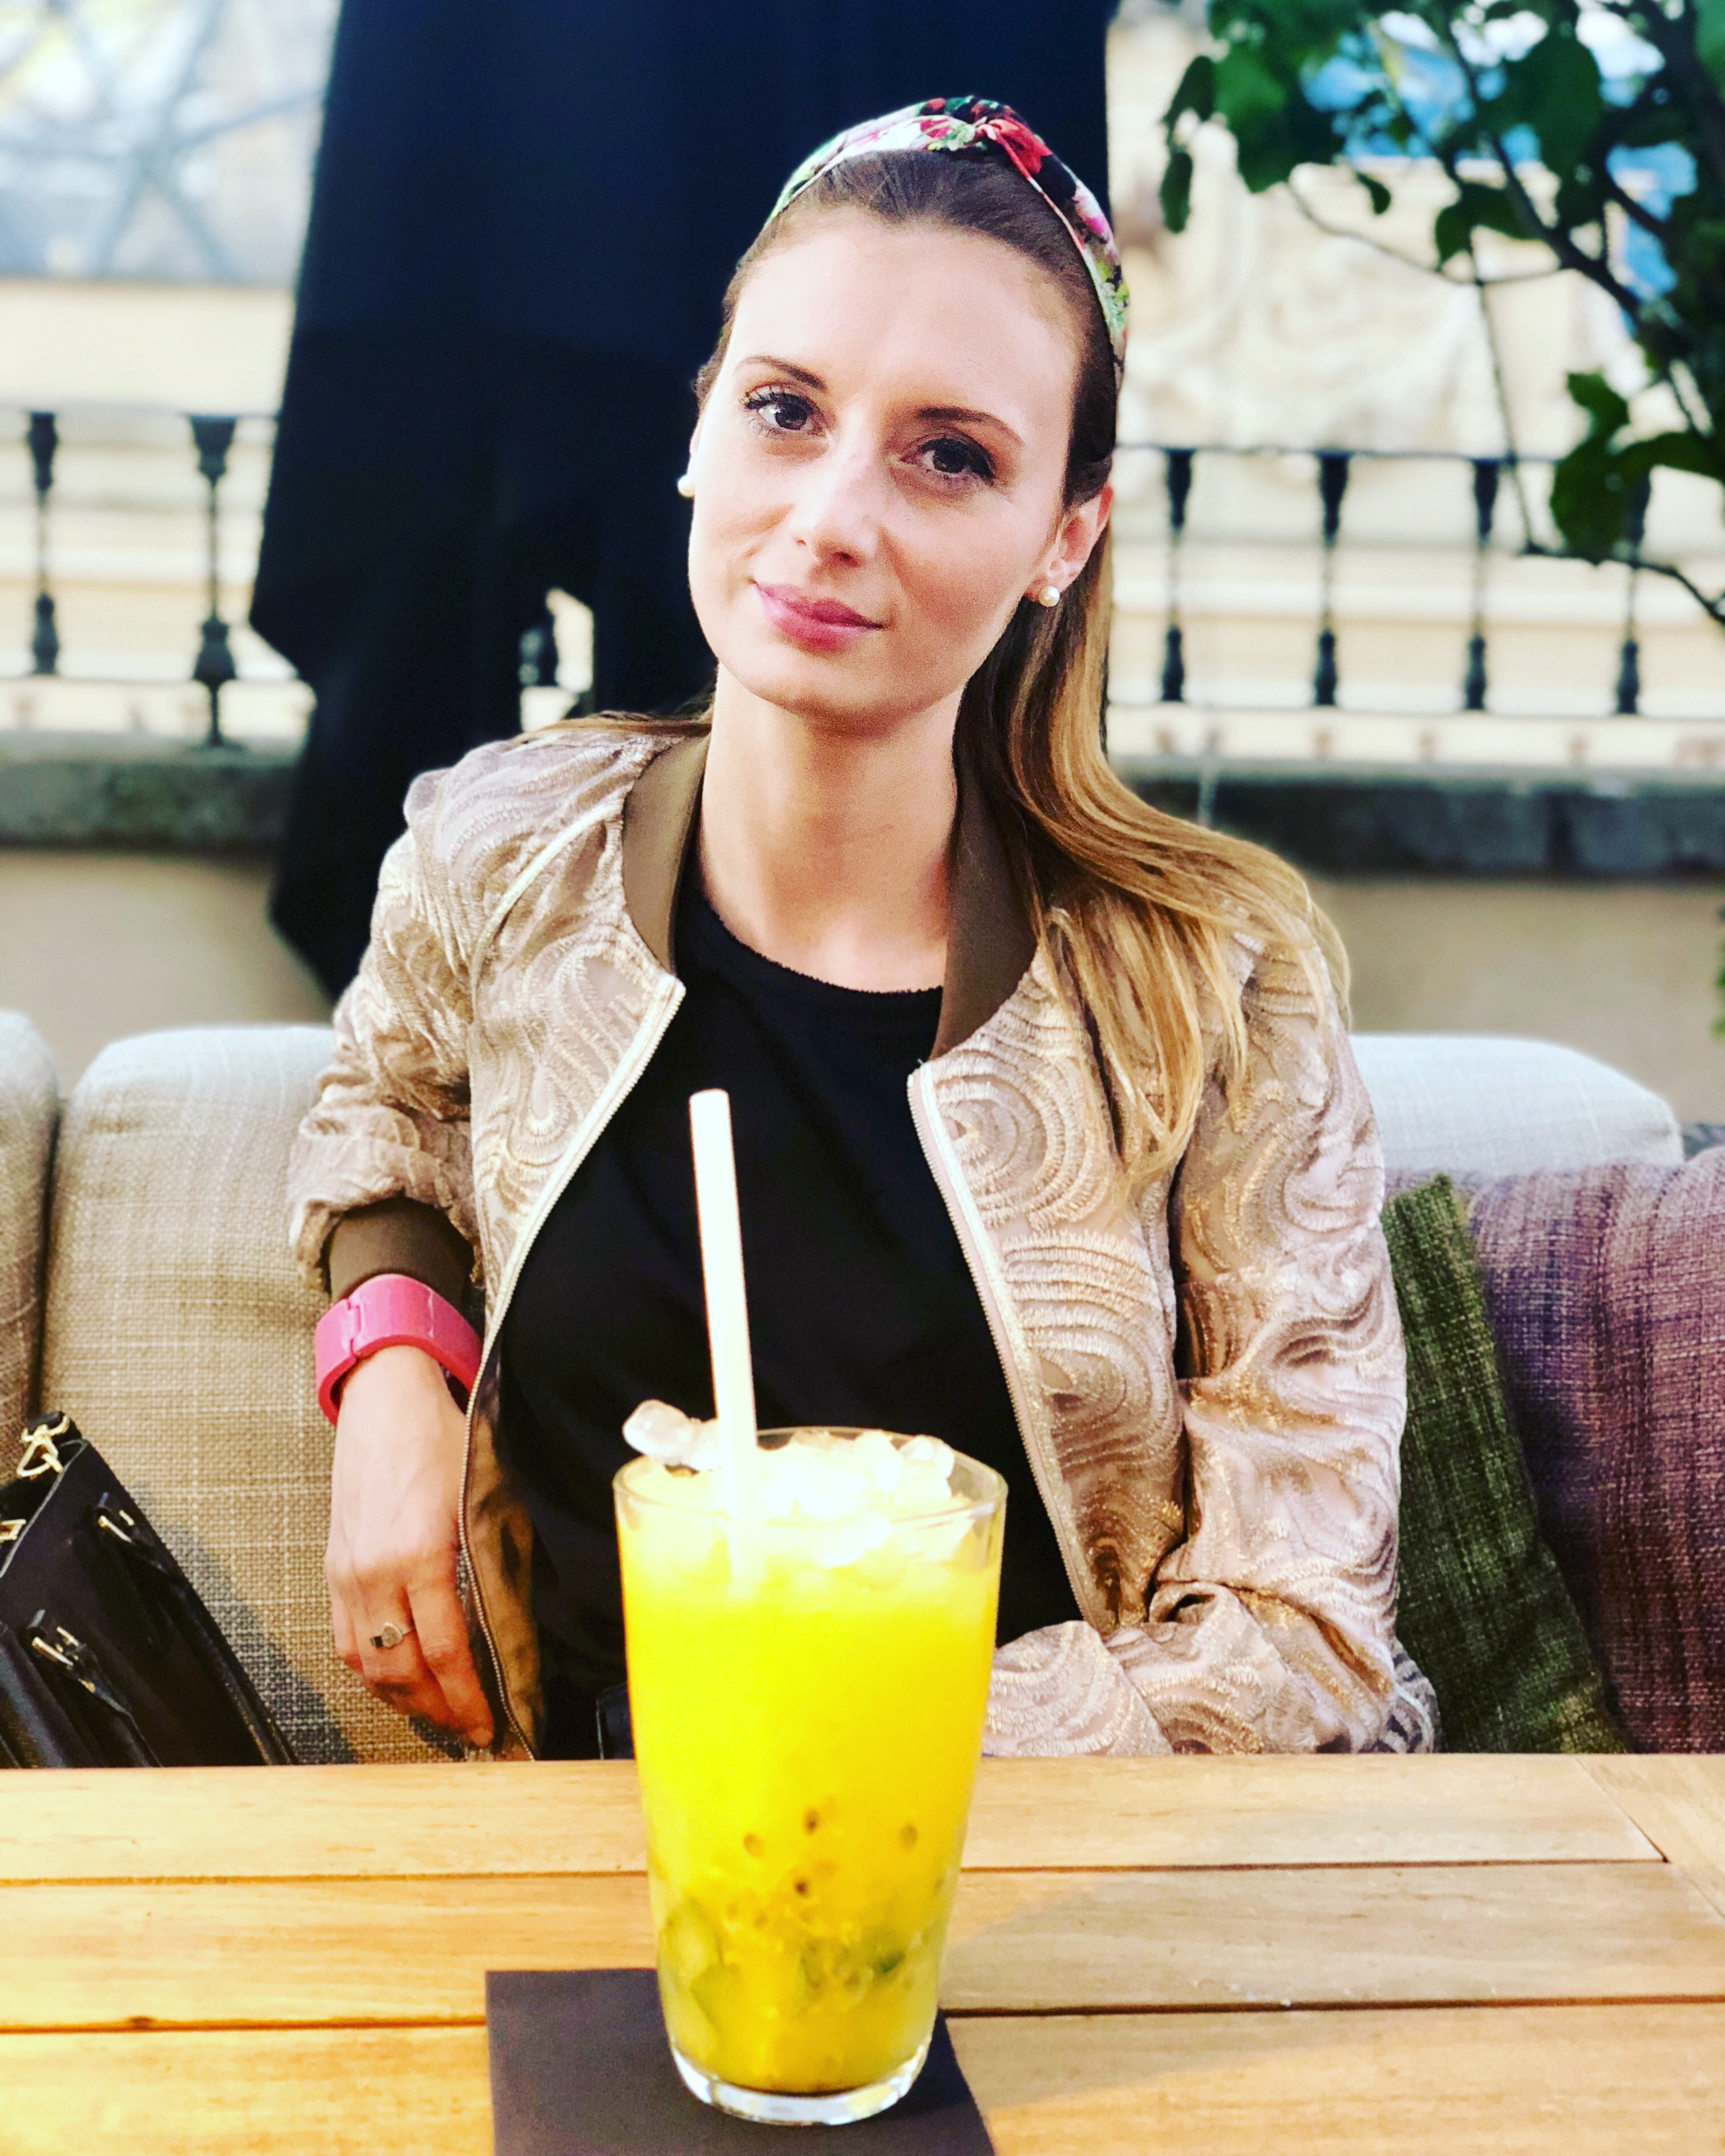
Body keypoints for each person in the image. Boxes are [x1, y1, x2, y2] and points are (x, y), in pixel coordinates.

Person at [289, 99, 1430, 1763]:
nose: (831, 514)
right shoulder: (502, 841)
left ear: (1064, 536)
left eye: (949, 454)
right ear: (701, 426)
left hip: (1053, 1863)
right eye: (786, 410)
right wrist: (392, 1362)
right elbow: (387, 1107)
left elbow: (1305, 1631)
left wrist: (821, 1730)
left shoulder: (1218, 985)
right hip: (580, 1852)